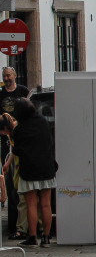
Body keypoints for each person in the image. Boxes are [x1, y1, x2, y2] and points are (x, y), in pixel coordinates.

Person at [0, 98, 56, 248]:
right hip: (46, 167)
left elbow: (17, 150)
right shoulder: (43, 122)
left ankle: (32, 237)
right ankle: (46, 237)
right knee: (45, 204)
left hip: (29, 169)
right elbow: (50, 142)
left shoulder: (20, 129)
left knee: (31, 204)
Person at [0, 66, 29, 240]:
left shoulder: (23, 91)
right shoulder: (0, 92)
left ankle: (21, 226)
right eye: (4, 76)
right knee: (10, 186)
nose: (6, 78)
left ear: (15, 76)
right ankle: (14, 225)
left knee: (17, 189)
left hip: (16, 140)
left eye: (8, 75)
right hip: (5, 141)